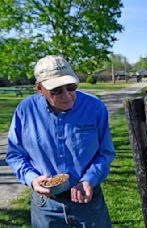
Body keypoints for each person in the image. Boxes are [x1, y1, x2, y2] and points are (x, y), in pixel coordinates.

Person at [6, 55, 115, 227]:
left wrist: (89, 179)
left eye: (71, 87)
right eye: (56, 90)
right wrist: (32, 179)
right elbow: (15, 155)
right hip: (45, 207)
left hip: (89, 203)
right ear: (40, 88)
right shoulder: (25, 111)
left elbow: (105, 152)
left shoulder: (95, 107)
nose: (67, 96)